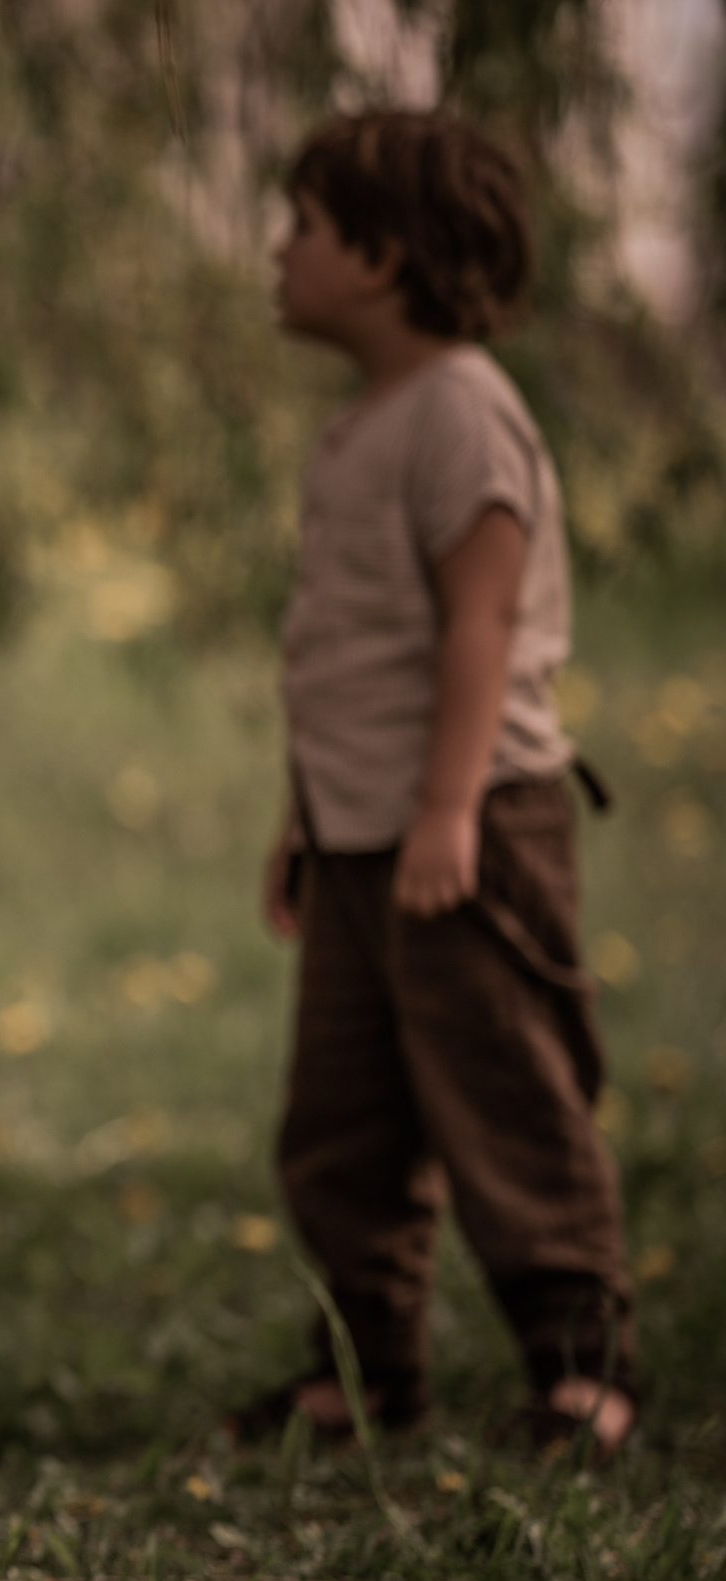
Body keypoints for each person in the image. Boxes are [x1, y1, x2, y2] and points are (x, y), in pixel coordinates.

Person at [236, 112, 633, 1453]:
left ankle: (583, 1367)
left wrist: (450, 808)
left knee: (505, 1091)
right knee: (341, 1117)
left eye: (304, 227)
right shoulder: (362, 426)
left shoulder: (463, 410)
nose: (280, 251)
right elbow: (349, 657)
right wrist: (303, 822)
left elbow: (484, 619)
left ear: (384, 256)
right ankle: (362, 1367)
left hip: (468, 827)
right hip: (359, 836)